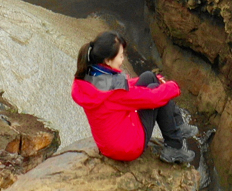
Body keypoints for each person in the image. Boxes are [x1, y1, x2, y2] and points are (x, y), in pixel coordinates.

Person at [70, 29, 198, 164]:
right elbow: (151, 98)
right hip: (127, 148)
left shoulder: (89, 78)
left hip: (109, 144)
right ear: (108, 60)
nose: (123, 59)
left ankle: (178, 126)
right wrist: (172, 86)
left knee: (149, 77)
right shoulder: (114, 91)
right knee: (159, 92)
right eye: (120, 56)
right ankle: (175, 147)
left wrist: (154, 79)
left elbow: (122, 88)